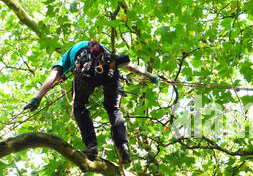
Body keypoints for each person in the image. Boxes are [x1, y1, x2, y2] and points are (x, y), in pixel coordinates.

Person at [23, 40, 159, 164]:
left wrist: (38, 97)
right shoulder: (103, 50)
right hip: (110, 73)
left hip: (86, 73)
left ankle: (92, 146)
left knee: (78, 107)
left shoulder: (66, 57)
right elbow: (130, 66)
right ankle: (123, 147)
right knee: (113, 108)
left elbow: (53, 76)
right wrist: (150, 76)